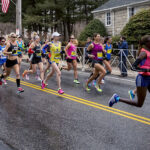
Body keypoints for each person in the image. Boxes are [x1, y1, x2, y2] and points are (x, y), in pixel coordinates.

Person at [109, 35, 150, 107]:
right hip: (142, 79)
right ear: (147, 43)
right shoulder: (144, 53)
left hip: (149, 78)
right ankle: (117, 98)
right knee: (139, 104)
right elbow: (133, 67)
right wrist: (146, 70)